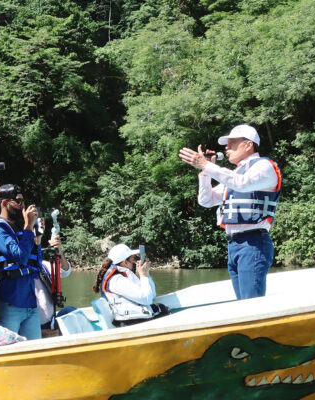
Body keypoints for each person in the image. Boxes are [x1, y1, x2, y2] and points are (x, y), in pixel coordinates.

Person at [179, 124, 281, 299]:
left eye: (232, 143)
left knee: (251, 306)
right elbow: (206, 200)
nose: (226, 148)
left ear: (248, 145)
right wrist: (205, 172)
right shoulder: (236, 173)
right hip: (234, 245)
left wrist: (207, 165)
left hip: (253, 243)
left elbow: (241, 183)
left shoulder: (264, 166)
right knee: (242, 305)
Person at [0, 184, 42, 340]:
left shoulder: (21, 229)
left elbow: (37, 262)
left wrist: (35, 235)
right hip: (8, 303)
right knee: (9, 350)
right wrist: (28, 225)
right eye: (18, 202)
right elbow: (19, 256)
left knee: (34, 351)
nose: (23, 206)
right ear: (4, 203)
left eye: (23, 201)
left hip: (30, 303)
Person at [94, 244, 166, 327]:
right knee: (164, 311)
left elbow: (151, 295)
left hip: (134, 318)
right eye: (133, 260)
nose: (135, 263)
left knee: (162, 308)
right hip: (129, 323)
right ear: (125, 262)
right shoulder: (117, 280)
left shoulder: (124, 276)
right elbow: (147, 298)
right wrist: (142, 275)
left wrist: (146, 273)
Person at [33, 225, 74, 336]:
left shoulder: (44, 266)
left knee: (70, 311)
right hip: (35, 328)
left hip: (51, 322)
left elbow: (65, 271)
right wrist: (40, 334)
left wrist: (59, 252)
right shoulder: (20, 272)